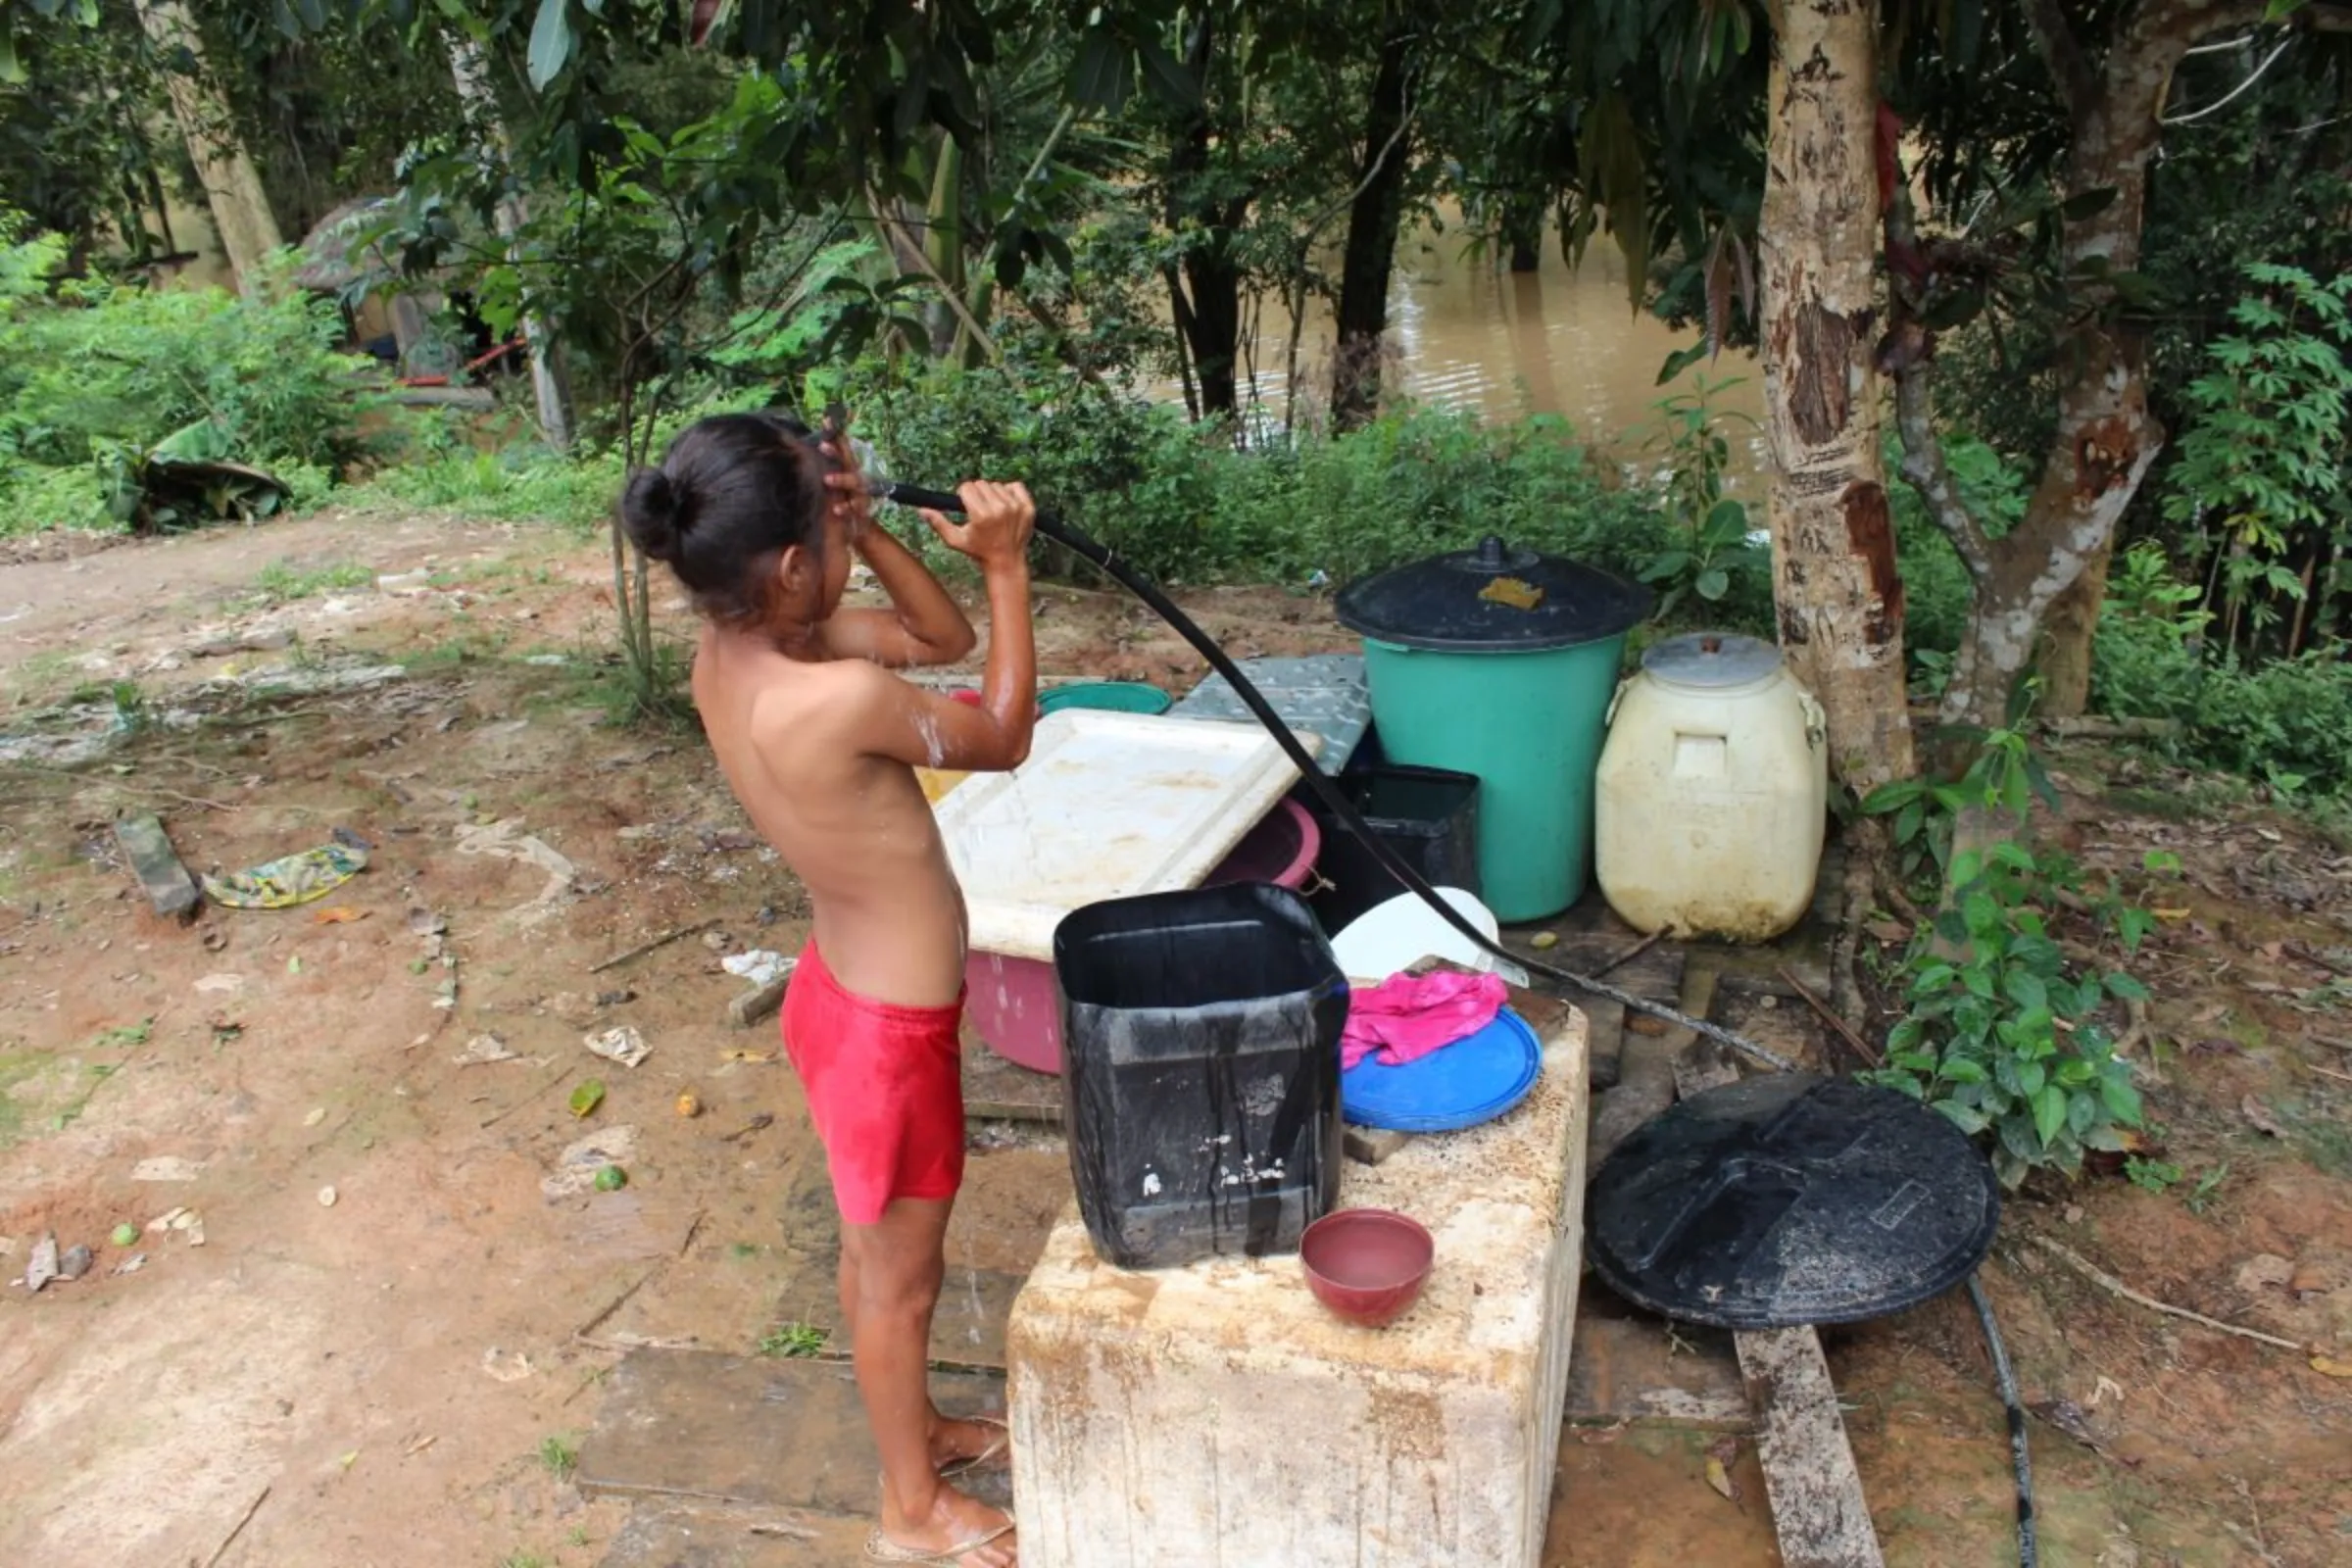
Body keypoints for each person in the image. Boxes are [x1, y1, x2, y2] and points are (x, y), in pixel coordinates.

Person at [619, 412, 1033, 1568]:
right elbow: (998, 732)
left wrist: (866, 529)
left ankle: (922, 1435)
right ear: (794, 570)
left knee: (878, 1258)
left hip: (835, 997)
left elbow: (929, 634)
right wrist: (1006, 566)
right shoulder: (832, 694)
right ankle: (910, 1510)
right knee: (899, 1281)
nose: (845, 549)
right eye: (831, 532)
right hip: (891, 1035)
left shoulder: (748, 655)